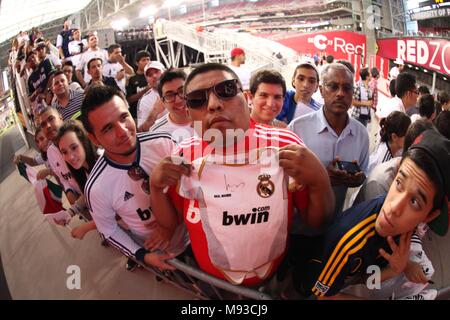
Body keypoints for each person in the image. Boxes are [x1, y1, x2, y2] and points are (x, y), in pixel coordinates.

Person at [149, 63, 334, 286]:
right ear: (189, 113)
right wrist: (155, 187)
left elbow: (316, 220)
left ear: (245, 97)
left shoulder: (285, 145)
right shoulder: (183, 156)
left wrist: (319, 179)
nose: (214, 104)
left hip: (271, 280)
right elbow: (173, 222)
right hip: (212, 284)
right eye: (198, 99)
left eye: (226, 90)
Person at [300, 129, 450, 300]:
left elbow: (366, 278)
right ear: (395, 173)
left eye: (414, 202)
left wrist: (398, 267)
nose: (394, 207)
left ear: (428, 217)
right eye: (399, 183)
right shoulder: (348, 242)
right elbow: (320, 297)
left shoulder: (402, 233)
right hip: (310, 281)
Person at [81, 85, 186, 271]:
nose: (122, 131)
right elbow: (108, 230)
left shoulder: (164, 142)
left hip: (194, 235)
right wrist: (143, 256)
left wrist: (170, 225)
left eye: (123, 117)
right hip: (164, 255)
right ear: (94, 138)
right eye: (107, 129)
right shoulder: (96, 187)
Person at [289, 63, 369, 219]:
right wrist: (322, 178)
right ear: (321, 90)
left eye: (347, 88)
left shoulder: (361, 134)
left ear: (353, 93)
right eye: (333, 86)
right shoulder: (297, 128)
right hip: (299, 226)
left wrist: (357, 179)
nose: (340, 94)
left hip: (335, 226)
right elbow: (285, 182)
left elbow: (363, 174)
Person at [55, 120, 98, 239]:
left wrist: (86, 227)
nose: (70, 157)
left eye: (74, 147)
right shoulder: (83, 170)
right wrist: (70, 212)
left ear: (84, 142)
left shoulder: (102, 162)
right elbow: (88, 193)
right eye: (64, 152)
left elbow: (118, 213)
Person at [38, 107, 82, 204]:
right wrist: (69, 191)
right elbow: (63, 178)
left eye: (51, 119)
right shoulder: (50, 153)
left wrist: (77, 207)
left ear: (61, 118)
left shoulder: (79, 138)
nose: (48, 126)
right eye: (43, 124)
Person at [149, 69, 195, 143]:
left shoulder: (208, 119)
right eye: (170, 95)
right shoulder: (157, 132)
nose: (178, 100)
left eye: (182, 91)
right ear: (163, 102)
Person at [277, 59, 322, 124]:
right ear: (293, 81)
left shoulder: (319, 112)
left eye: (311, 81)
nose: (305, 85)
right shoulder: (281, 98)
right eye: (301, 79)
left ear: (317, 86)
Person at [136, 61, 166, 132]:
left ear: (164, 72)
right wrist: (154, 113)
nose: (154, 76)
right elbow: (141, 131)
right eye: (149, 75)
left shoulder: (180, 88)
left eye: (157, 71)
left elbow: (197, 115)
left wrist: (198, 133)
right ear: (147, 80)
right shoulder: (145, 101)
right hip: (162, 140)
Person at [126, 50, 151, 120]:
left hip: (154, 113)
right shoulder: (132, 79)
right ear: (137, 63)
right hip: (138, 116)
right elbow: (129, 99)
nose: (146, 62)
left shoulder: (154, 76)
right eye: (143, 60)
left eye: (148, 59)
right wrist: (145, 90)